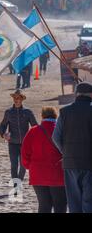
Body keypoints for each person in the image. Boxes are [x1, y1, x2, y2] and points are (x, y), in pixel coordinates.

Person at [53, 82, 92, 213]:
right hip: (89, 163)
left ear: (76, 94)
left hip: (70, 163)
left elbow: (56, 137)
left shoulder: (64, 111)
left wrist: (66, 152)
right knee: (89, 201)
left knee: (74, 202)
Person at [21, 107, 67, 213]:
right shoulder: (62, 130)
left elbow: (24, 154)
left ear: (42, 116)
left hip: (37, 174)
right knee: (60, 205)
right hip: (58, 173)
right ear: (56, 116)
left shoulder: (33, 131)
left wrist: (31, 167)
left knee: (44, 205)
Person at [0, 90, 38, 182]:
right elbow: (3, 124)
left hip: (25, 144)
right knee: (14, 165)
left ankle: (19, 181)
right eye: (15, 98)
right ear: (13, 99)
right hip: (12, 143)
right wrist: (3, 134)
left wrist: (34, 139)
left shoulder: (28, 112)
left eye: (18, 98)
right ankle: (15, 184)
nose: (16, 100)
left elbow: (35, 126)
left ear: (22, 99)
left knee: (23, 165)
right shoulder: (8, 112)